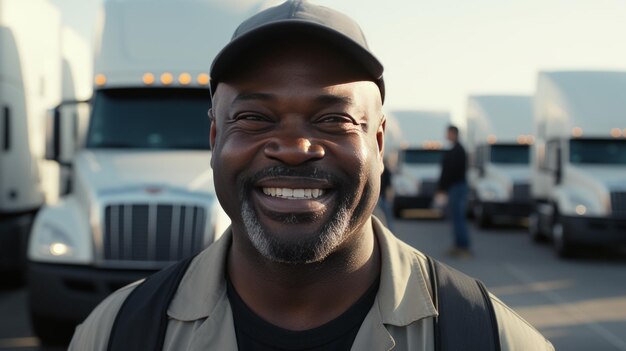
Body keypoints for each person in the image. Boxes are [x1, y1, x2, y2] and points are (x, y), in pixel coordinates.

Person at [69, 1, 553, 350]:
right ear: (215, 139)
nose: (295, 148)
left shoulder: (491, 339)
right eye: (255, 118)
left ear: (379, 143)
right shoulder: (116, 333)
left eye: (333, 120)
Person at [436, 125, 471, 258]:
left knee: (459, 218)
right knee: (456, 218)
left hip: (457, 188)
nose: (447, 135)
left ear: (454, 134)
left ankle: (463, 247)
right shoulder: (456, 150)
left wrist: (442, 188)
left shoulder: (458, 151)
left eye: (448, 133)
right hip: (455, 187)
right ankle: (458, 245)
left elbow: (451, 172)